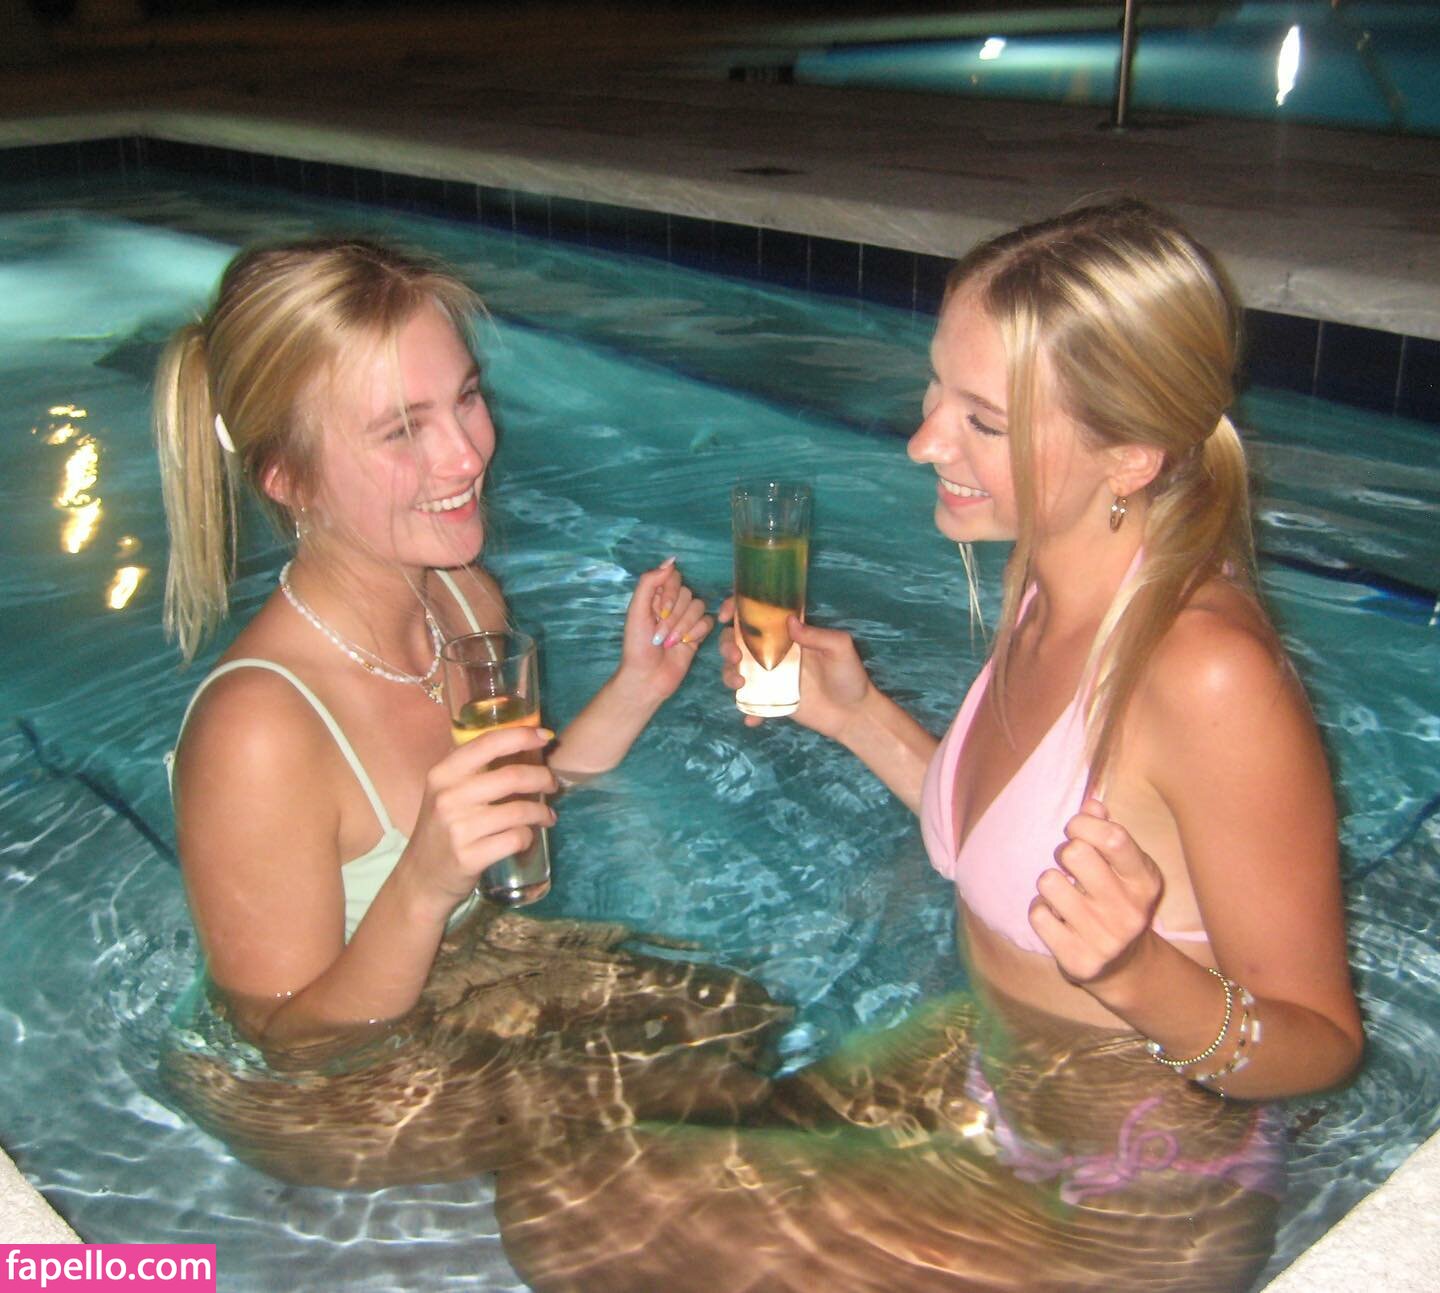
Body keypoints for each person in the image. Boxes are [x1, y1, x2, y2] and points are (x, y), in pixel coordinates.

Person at [494, 199, 1364, 1292]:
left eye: (983, 422)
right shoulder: (1050, 571)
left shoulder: (1205, 674)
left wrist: (1141, 976)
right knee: (585, 1091)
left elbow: (1321, 1043)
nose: (922, 442)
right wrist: (859, 714)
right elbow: (1010, 846)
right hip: (991, 1085)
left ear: (1131, 455)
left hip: (1123, 1202)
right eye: (934, 391)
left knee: (573, 1208)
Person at [156, 237, 788, 1185]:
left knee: (740, 1015)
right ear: (288, 477)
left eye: (466, 397)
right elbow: (288, 1046)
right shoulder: (259, 729)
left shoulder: (463, 600)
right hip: (330, 1092)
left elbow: (514, 802)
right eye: (401, 430)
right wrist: (424, 880)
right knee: (668, 1121)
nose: (466, 452)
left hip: (468, 976)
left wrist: (637, 689)